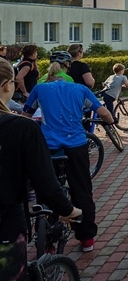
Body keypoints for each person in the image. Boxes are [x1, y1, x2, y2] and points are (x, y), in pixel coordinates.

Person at [0, 58, 82, 277]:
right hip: (6, 223)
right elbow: (45, 182)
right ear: (7, 85)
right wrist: (68, 210)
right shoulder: (21, 128)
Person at [22, 63, 114, 253]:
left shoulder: (39, 89)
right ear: (68, 78)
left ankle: (47, 241)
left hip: (49, 147)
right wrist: (111, 122)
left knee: (47, 190)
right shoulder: (80, 89)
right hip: (76, 146)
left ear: (50, 77)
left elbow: (26, 115)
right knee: (82, 190)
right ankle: (87, 238)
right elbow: (103, 112)